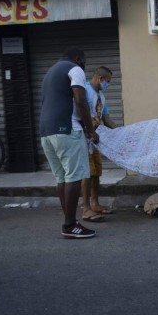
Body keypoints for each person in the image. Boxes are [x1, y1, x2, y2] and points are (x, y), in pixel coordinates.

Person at [39, 46, 99, 238]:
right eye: (84, 61)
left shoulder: (50, 72)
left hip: (46, 132)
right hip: (67, 130)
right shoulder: (75, 69)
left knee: (62, 179)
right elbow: (80, 100)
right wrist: (90, 130)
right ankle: (70, 225)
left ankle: (68, 222)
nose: (84, 65)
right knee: (74, 177)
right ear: (78, 58)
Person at [81, 66, 117, 221]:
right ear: (100, 78)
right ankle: (86, 208)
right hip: (83, 137)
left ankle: (95, 203)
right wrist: (90, 131)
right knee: (87, 173)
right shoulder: (84, 91)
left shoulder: (101, 97)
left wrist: (121, 132)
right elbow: (80, 114)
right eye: (107, 81)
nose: (107, 84)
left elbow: (106, 119)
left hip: (94, 139)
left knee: (96, 173)